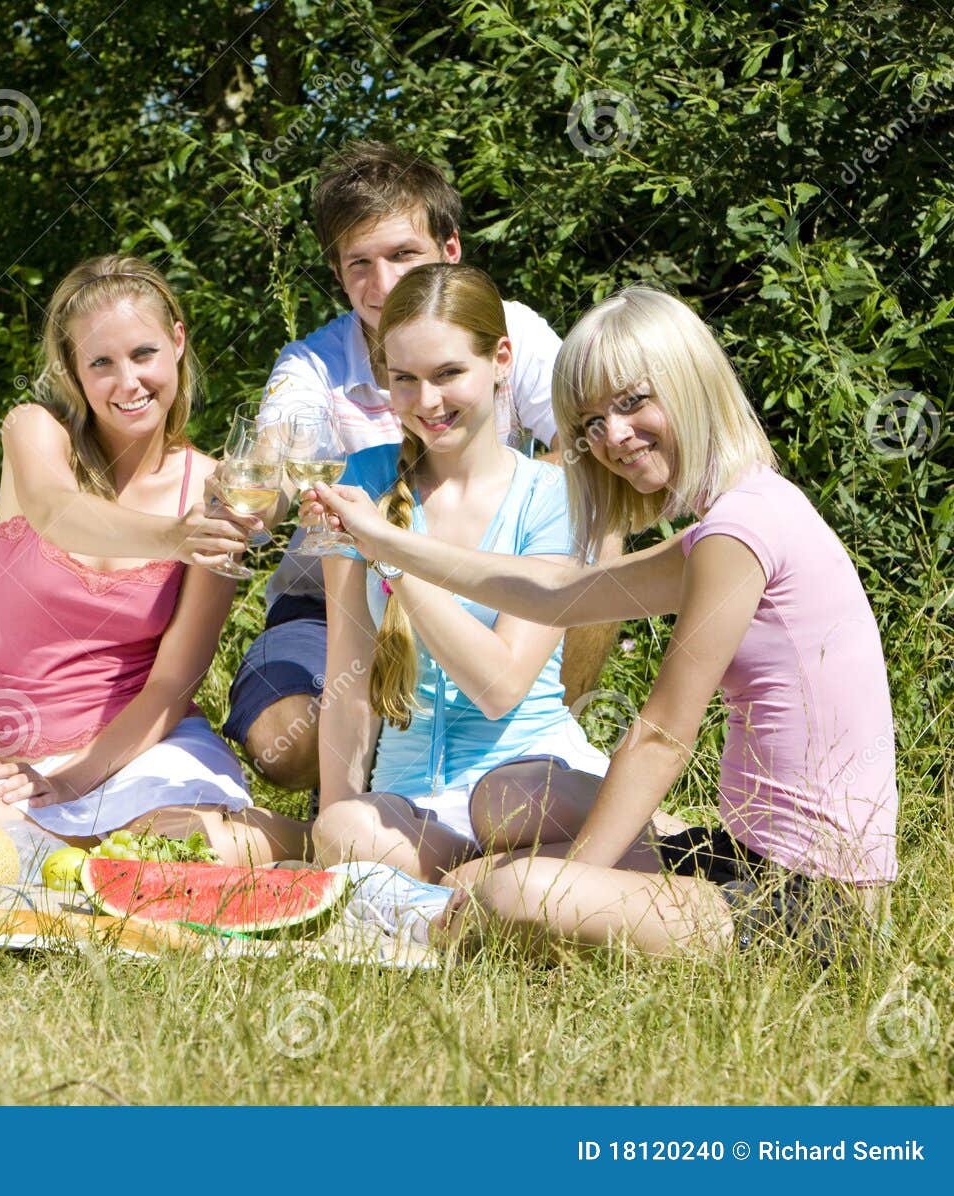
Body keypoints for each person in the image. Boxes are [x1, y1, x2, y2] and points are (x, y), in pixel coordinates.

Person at [312, 286, 898, 957]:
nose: (612, 437)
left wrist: (568, 884)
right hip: (745, 861)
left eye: (631, 402)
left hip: (814, 903)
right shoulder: (737, 517)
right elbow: (561, 590)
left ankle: (440, 921)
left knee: (516, 894)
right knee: (481, 881)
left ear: (689, 379)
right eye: (591, 422)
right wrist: (390, 544)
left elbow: (661, 737)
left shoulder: (740, 530)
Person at [224, 140, 618, 795]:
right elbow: (273, 464)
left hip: (493, 587)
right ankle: (356, 798)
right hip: (331, 602)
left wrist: (484, 515)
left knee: (597, 522)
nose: (385, 286)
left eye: (404, 255)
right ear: (337, 272)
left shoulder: (503, 330)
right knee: (280, 744)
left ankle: (539, 742)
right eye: (360, 264)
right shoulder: (312, 367)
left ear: (450, 249)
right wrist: (250, 493)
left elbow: (593, 446)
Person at [0, 254, 307, 865]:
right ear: (74, 371)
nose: (128, 382)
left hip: (145, 749)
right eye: (101, 362)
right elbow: (56, 511)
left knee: (171, 849)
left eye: (144, 353)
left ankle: (321, 839)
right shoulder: (34, 432)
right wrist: (174, 537)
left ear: (177, 342)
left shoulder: (212, 488)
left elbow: (175, 682)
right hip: (24, 758)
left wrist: (79, 778)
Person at [312, 263, 625, 882]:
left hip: (527, 783)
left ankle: (502, 873)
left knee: (505, 802)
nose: (427, 402)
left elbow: (500, 685)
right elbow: (348, 681)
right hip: (414, 800)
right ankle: (485, 880)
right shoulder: (363, 482)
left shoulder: (551, 494)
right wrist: (329, 825)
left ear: (501, 358)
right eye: (404, 380)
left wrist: (395, 555)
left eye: (449, 373)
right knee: (343, 831)